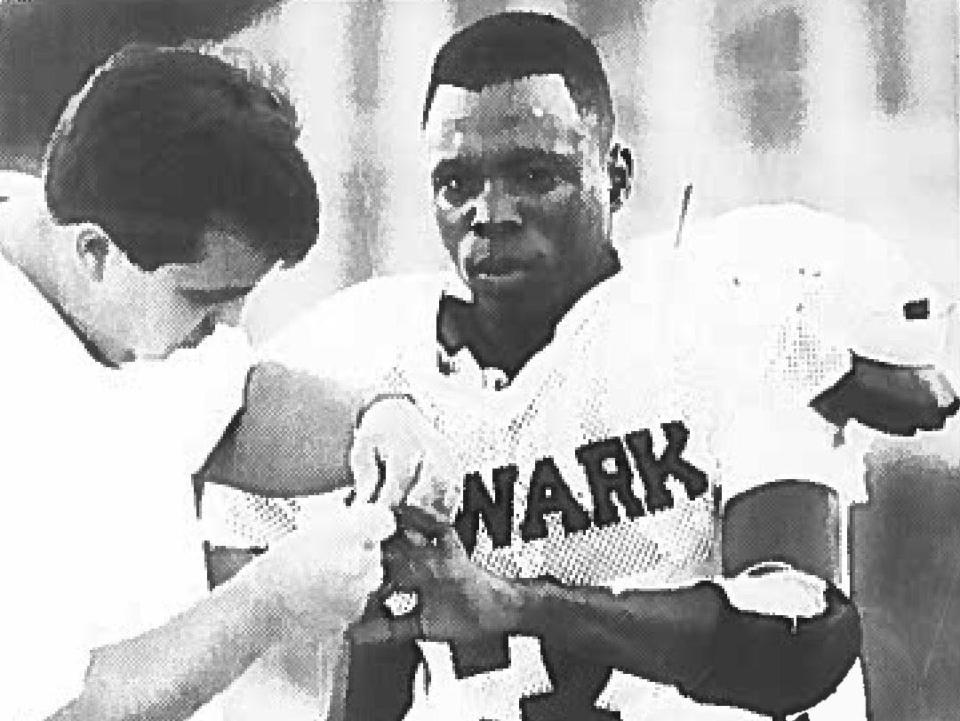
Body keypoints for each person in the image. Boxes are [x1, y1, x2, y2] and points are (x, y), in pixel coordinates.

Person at [197, 11, 957, 721]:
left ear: (617, 177)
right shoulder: (375, 366)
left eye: (533, 174)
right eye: (457, 183)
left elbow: (803, 637)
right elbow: (378, 669)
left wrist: (522, 603)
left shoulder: (726, 311)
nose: (490, 213)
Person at [0, 44, 395, 721]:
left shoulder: (88, 223)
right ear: (94, 251)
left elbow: (234, 403)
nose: (228, 325)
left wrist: (379, 420)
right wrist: (271, 599)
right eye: (205, 299)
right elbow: (67, 708)